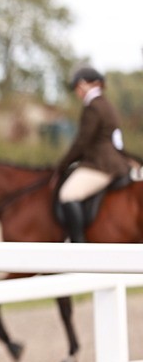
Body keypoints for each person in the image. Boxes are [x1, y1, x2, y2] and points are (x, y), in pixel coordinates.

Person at [56, 67, 132, 242]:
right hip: (112, 161)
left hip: (101, 164)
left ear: (82, 85)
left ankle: (78, 244)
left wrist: (62, 164)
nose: (77, 93)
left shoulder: (93, 107)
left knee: (68, 194)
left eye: (76, 88)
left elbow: (82, 142)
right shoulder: (106, 104)